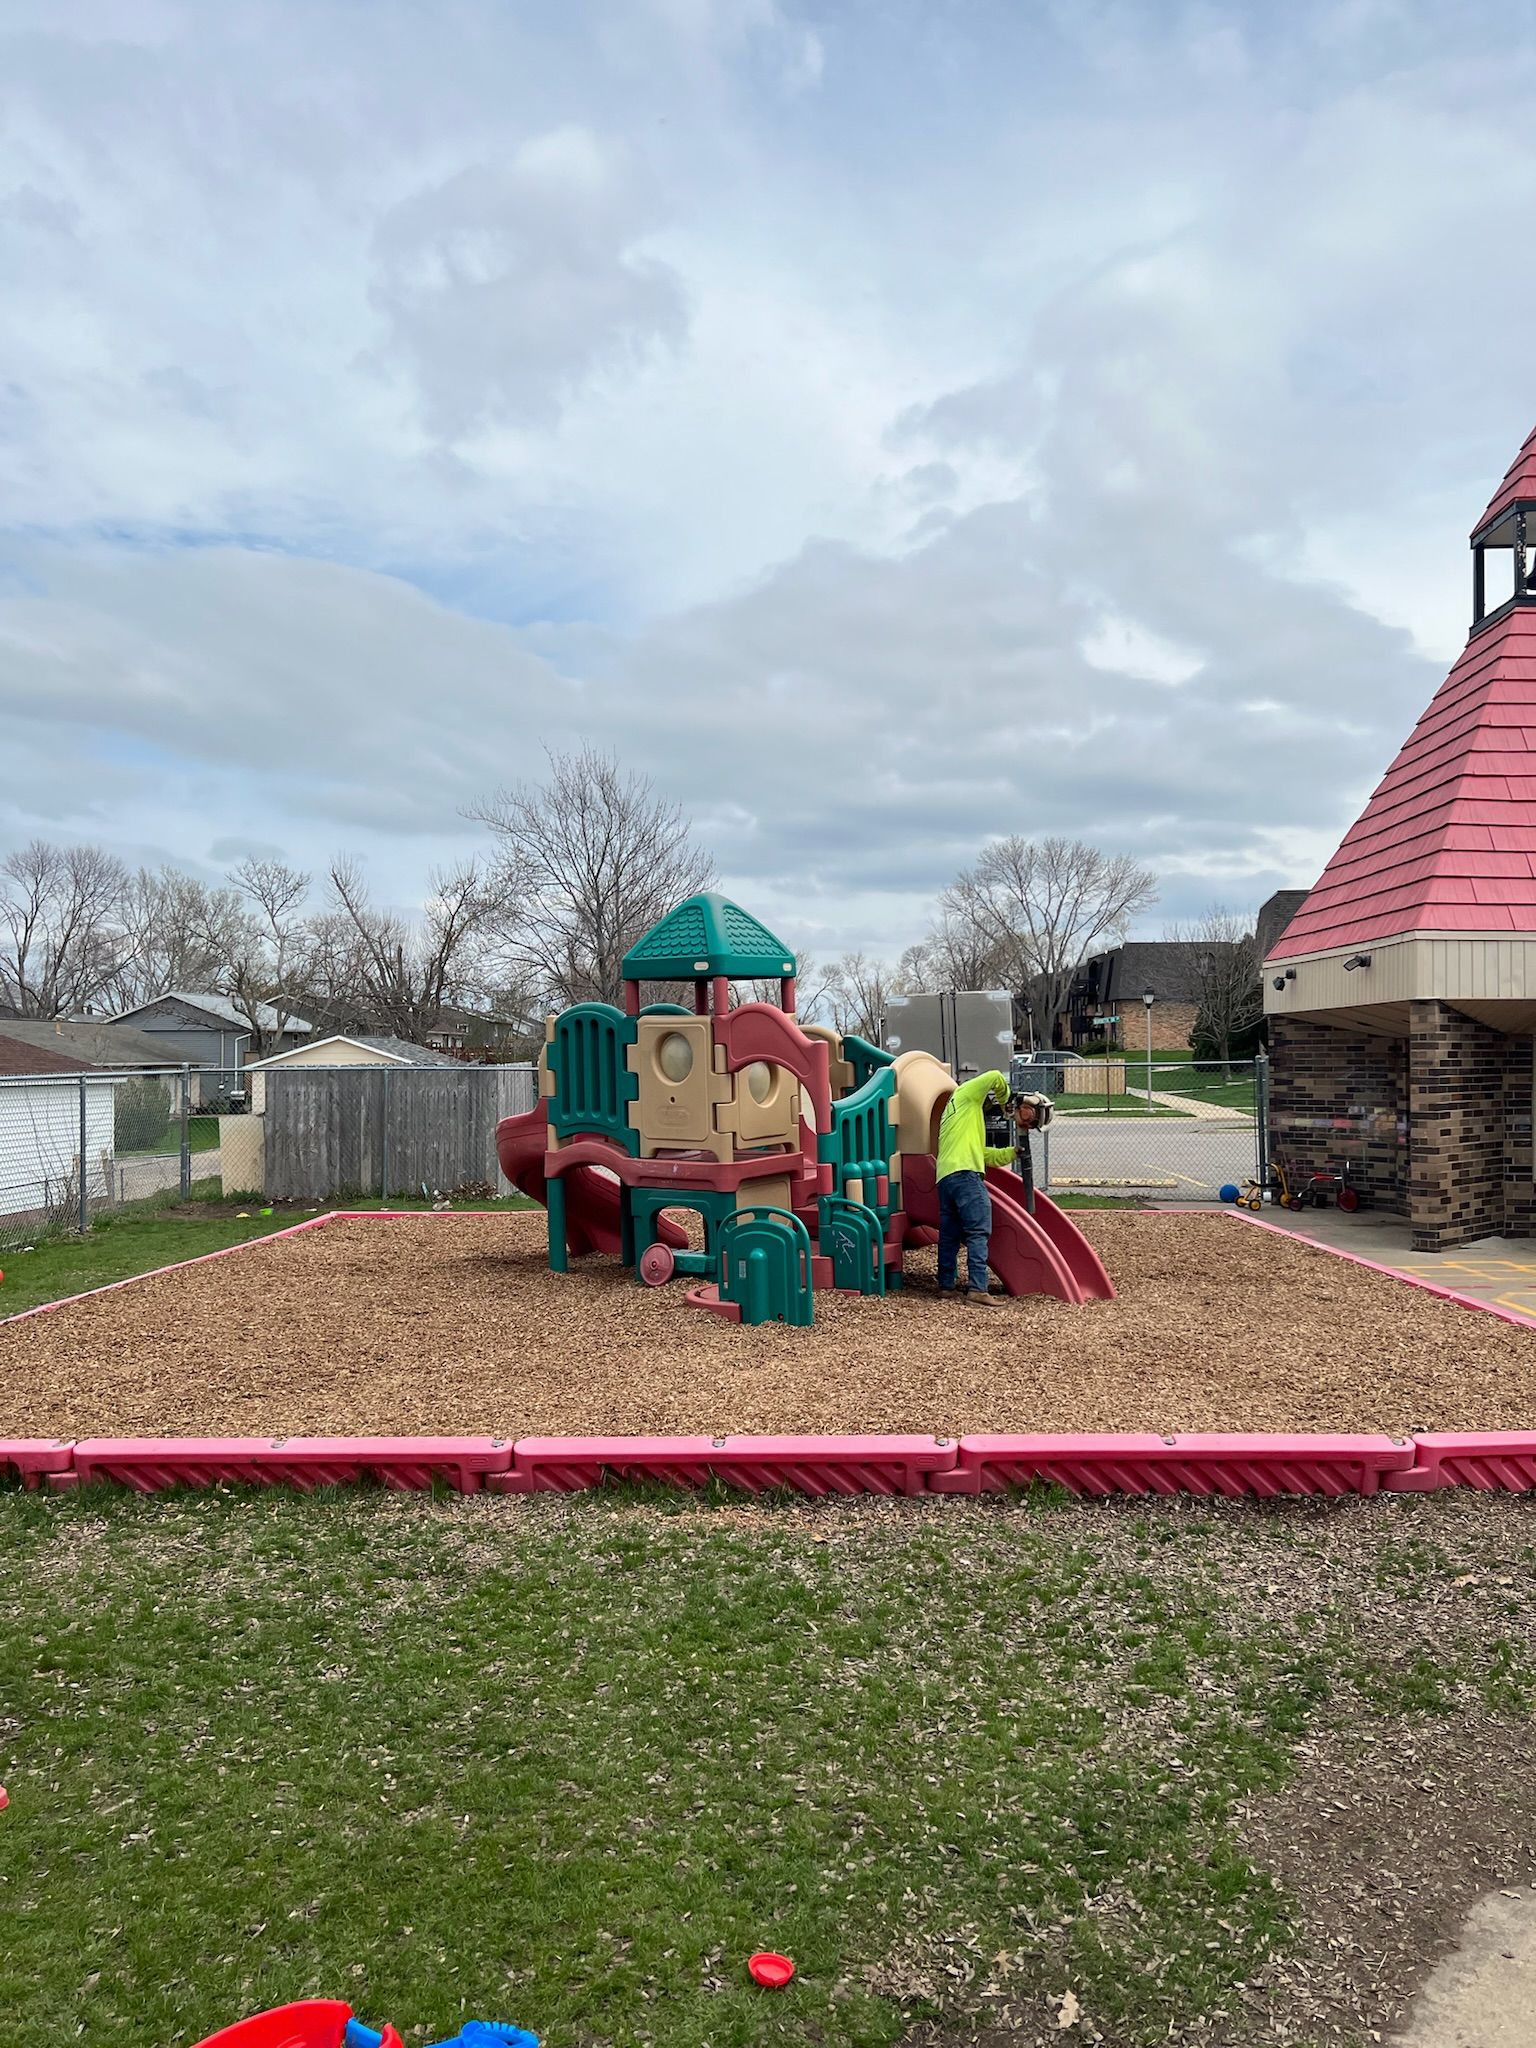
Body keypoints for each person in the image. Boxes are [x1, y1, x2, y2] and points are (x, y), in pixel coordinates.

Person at [935, 1071, 1033, 1305]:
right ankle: (978, 1289)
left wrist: (1011, 1153)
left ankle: (946, 1286)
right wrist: (1009, 1102)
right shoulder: (965, 1095)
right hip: (965, 1174)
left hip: (945, 1178)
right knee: (979, 1230)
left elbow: (982, 1153)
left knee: (949, 1235)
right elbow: (996, 1076)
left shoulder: (956, 1116)